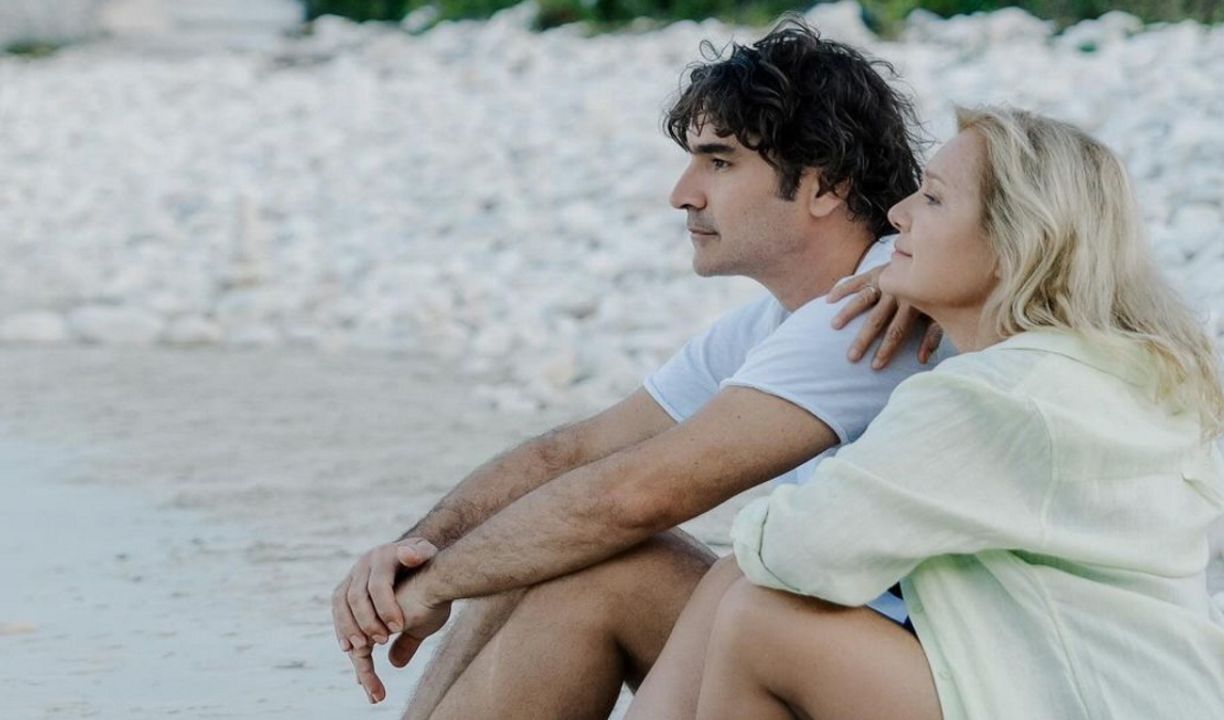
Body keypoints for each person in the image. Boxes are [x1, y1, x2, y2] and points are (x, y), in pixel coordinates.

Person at [330, 19, 948, 718]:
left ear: (825, 184)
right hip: (843, 652)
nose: (683, 194)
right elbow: (577, 453)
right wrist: (418, 552)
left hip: (925, 680)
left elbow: (638, 495)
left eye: (719, 163)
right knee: (534, 545)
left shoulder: (873, 308)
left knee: (590, 566)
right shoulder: (786, 315)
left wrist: (435, 585)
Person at [627, 106, 1224, 720]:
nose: (897, 215)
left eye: (931, 199)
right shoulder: (1116, 367)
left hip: (1084, 698)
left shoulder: (994, 396)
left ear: (1015, 242)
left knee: (762, 618)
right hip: (1154, 692)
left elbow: (798, 550)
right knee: (743, 586)